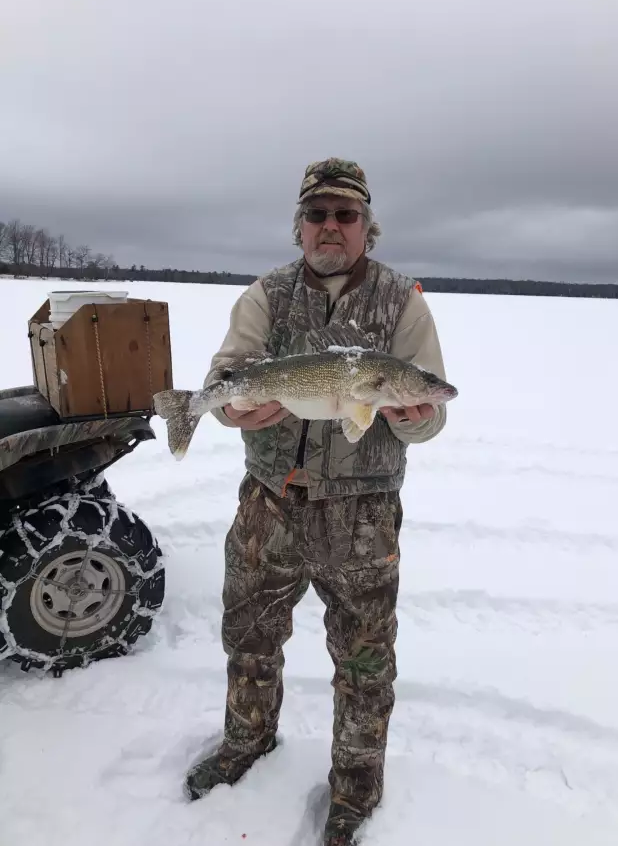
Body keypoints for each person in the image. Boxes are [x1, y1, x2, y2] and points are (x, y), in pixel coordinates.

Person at [184, 158, 449, 845]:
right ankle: (246, 741)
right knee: (250, 637)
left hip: (363, 516)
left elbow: (431, 410)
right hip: (270, 502)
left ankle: (356, 791)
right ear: (300, 225)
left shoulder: (401, 302)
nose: (331, 226)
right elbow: (225, 376)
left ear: (367, 225)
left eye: (345, 215)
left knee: (364, 661)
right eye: (318, 214)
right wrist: (228, 411)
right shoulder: (267, 295)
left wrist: (414, 413)